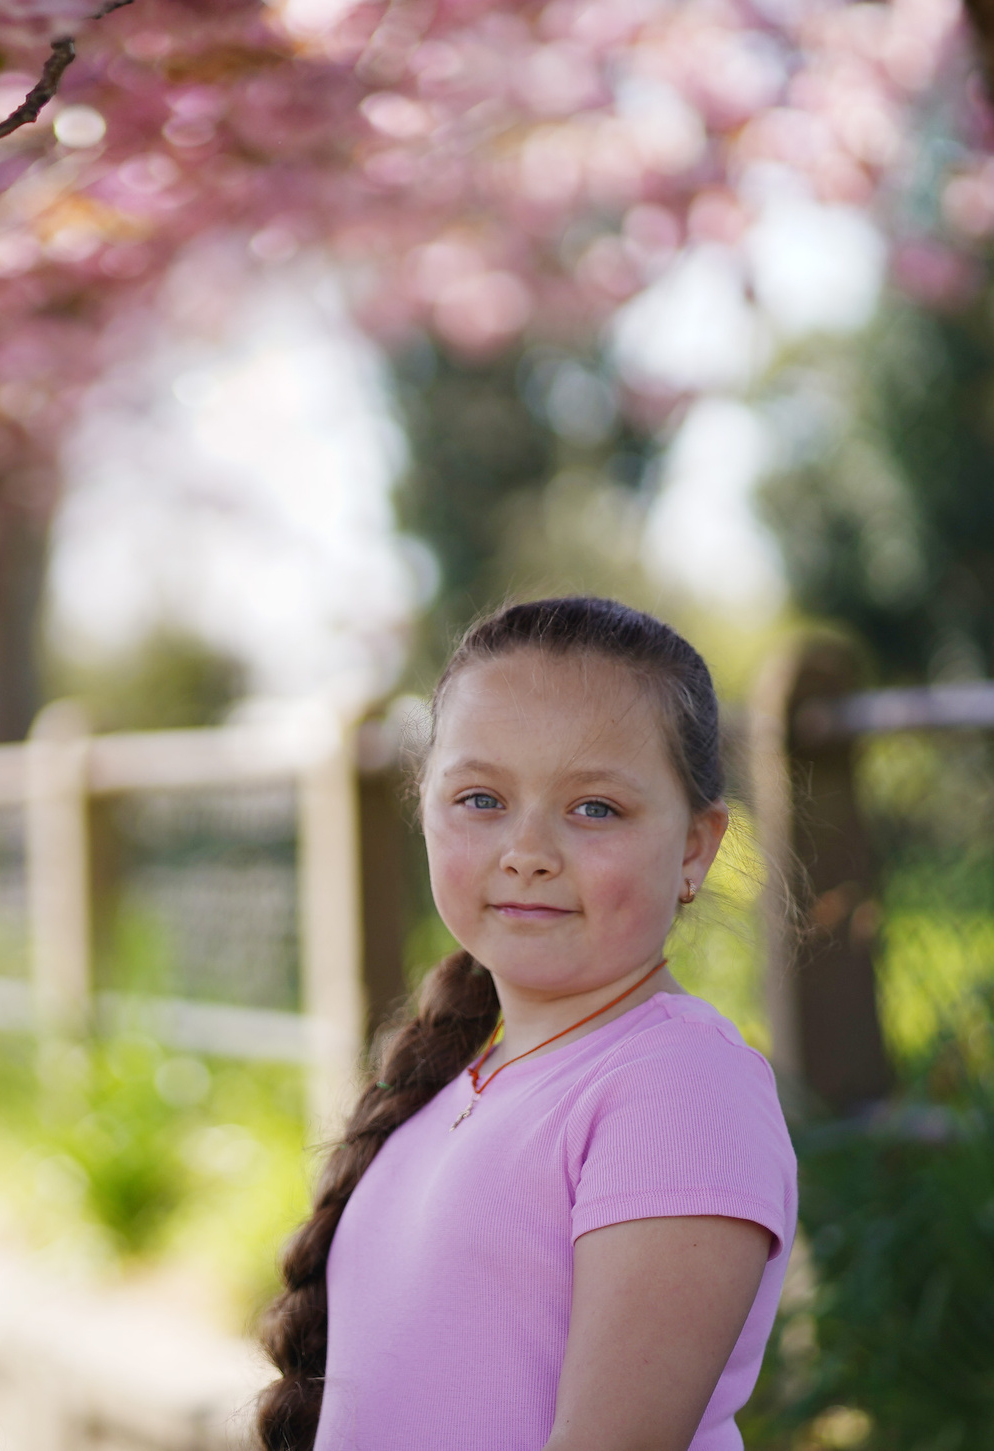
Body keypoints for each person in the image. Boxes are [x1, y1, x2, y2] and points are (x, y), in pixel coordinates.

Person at [257, 597, 798, 1451]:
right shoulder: (466, 1073)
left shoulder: (678, 1088)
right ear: (425, 808)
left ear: (696, 847)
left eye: (595, 809)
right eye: (480, 798)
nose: (528, 849)